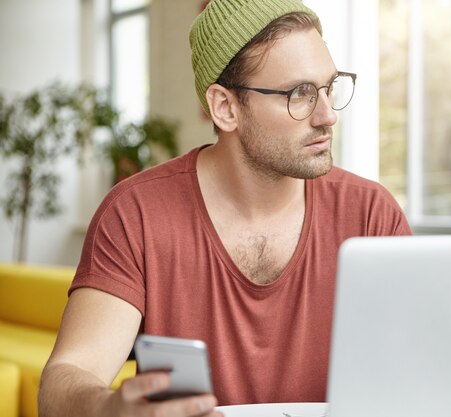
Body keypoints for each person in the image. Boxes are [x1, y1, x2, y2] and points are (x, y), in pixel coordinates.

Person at [38, 1, 412, 416]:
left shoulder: (371, 215)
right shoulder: (135, 214)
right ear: (225, 108)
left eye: (329, 87)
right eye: (300, 94)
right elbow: (65, 378)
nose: (327, 115)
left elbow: (422, 368)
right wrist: (108, 409)